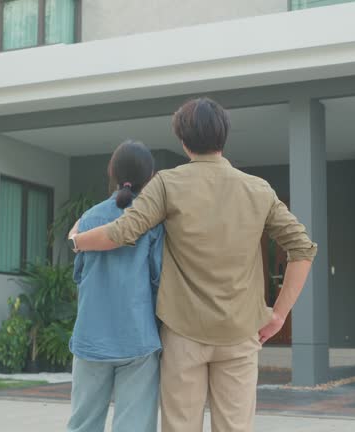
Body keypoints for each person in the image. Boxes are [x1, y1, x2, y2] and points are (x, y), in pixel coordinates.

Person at [68, 98, 317, 432]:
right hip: (239, 332)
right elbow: (302, 249)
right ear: (223, 137)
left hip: (183, 334)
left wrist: (77, 240)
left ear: (183, 142)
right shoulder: (258, 189)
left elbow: (124, 231)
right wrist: (280, 313)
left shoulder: (167, 184)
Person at [66, 140, 164, 432]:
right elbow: (158, 278)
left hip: (90, 337)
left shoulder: (88, 219)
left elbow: (79, 275)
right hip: (138, 338)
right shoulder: (152, 221)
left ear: (112, 172)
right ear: (150, 177)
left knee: (82, 424)